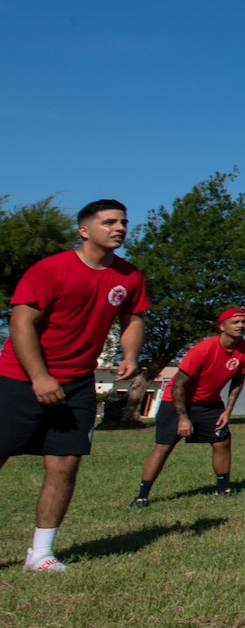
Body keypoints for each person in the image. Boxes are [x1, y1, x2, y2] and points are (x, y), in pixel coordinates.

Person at [1, 200, 147, 572]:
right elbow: (21, 325)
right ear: (84, 230)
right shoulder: (50, 270)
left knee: (65, 463)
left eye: (123, 222)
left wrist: (129, 354)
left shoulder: (129, 276)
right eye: (109, 222)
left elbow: (132, 317)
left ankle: (41, 553)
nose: (119, 228)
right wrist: (40, 376)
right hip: (19, 378)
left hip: (77, 383)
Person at [132, 307, 245, 506]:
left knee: (222, 442)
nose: (240, 326)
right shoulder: (204, 349)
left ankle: (224, 490)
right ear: (221, 327)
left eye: (243, 322)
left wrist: (228, 410)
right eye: (235, 322)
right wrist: (183, 417)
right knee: (164, 447)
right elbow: (178, 383)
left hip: (210, 403)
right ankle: (141, 496)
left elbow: (239, 380)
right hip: (177, 401)